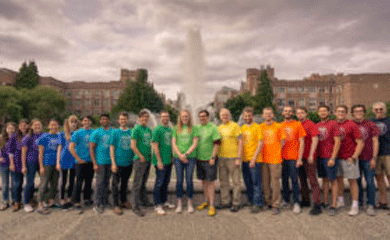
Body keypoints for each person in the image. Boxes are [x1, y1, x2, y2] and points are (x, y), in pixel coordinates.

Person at [335, 105, 364, 216]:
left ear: (346, 113)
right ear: (335, 112)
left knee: (352, 181)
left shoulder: (351, 125)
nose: (340, 113)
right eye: (339, 111)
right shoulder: (334, 124)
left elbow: (360, 142)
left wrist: (354, 156)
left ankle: (355, 205)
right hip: (337, 158)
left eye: (343, 111)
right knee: (339, 180)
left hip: (349, 158)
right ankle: (341, 200)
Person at [352, 104, 380, 216]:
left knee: (369, 182)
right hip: (355, 158)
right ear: (353, 113)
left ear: (364, 112)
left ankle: (370, 204)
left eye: (360, 111)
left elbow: (375, 141)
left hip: (368, 158)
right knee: (356, 182)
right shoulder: (351, 124)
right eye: (356, 111)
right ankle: (358, 203)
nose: (358, 113)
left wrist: (374, 157)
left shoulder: (371, 124)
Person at [296, 107, 322, 215]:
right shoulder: (297, 124)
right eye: (298, 113)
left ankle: (317, 204)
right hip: (299, 158)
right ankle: (305, 200)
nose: (300, 114)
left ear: (306, 113)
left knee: (313, 181)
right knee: (302, 180)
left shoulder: (310, 124)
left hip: (309, 157)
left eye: (302, 112)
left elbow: (315, 139)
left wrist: (311, 154)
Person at [259, 107, 285, 215]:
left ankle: (275, 204)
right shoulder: (261, 126)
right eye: (266, 114)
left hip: (275, 158)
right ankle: (267, 201)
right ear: (263, 115)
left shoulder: (278, 126)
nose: (268, 115)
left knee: (275, 183)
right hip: (263, 158)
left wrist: (277, 151)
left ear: (273, 115)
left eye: (270, 114)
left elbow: (282, 141)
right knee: (265, 182)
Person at [316, 105, 341, 216]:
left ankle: (334, 204)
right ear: (318, 113)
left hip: (329, 156)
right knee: (325, 180)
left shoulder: (334, 124)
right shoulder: (317, 125)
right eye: (320, 111)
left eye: (324, 111)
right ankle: (325, 202)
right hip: (320, 157)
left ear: (328, 112)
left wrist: (333, 157)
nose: (322, 113)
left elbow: (337, 142)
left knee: (333, 180)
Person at [280, 106, 306, 214]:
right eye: (285, 111)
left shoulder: (297, 124)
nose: (287, 112)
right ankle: (286, 200)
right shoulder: (280, 125)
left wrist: (299, 158)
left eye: (290, 111)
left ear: (292, 113)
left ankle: (296, 202)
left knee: (295, 181)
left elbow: (302, 142)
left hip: (293, 158)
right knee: (284, 180)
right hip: (282, 158)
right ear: (283, 113)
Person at [172, 110, 198, 214]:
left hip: (190, 157)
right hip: (178, 158)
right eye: (183, 116)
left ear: (189, 117)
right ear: (180, 117)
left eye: (186, 116)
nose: (185, 118)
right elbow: (173, 143)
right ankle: (179, 203)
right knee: (179, 180)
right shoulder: (176, 128)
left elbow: (195, 143)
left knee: (189, 180)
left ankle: (189, 203)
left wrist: (186, 154)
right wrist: (180, 155)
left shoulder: (193, 128)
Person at [196, 110, 221, 217]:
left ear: (208, 116)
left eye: (204, 116)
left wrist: (213, 157)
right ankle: (206, 202)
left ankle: (212, 205)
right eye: (200, 116)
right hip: (199, 159)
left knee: (210, 183)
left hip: (209, 160)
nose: (202, 118)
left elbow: (217, 143)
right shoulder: (197, 128)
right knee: (204, 182)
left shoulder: (213, 127)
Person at [217, 108, 242, 212]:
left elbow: (241, 142)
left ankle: (236, 203)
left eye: (226, 115)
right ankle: (225, 202)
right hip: (221, 158)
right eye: (223, 115)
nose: (224, 116)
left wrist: (238, 157)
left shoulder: (235, 126)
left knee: (236, 182)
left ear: (230, 115)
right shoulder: (219, 127)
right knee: (223, 182)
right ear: (220, 116)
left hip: (233, 158)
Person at [240, 107, 264, 214]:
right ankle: (251, 201)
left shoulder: (257, 127)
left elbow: (260, 143)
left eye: (249, 115)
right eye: (245, 116)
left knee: (256, 183)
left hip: (255, 160)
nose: (247, 117)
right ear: (243, 116)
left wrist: (254, 159)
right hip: (245, 160)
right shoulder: (242, 128)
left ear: (252, 116)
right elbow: (240, 144)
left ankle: (258, 204)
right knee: (247, 182)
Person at [109, 112, 134, 215]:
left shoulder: (131, 132)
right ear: (119, 121)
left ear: (127, 120)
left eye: (125, 119)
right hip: (118, 163)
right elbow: (112, 148)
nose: (123, 121)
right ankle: (115, 205)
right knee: (115, 184)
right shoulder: (115, 133)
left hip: (128, 162)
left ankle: (123, 201)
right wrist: (113, 163)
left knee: (124, 184)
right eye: (121, 119)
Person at [70, 116, 94, 213]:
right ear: (82, 122)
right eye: (84, 120)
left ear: (91, 122)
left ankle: (87, 198)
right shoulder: (78, 133)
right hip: (80, 162)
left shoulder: (94, 132)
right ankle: (76, 201)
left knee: (89, 181)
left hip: (91, 161)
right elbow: (71, 147)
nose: (86, 122)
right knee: (79, 182)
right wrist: (78, 159)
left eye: (88, 120)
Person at [152, 111, 175, 215]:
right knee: (159, 183)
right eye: (163, 116)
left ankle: (164, 201)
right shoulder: (157, 129)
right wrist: (159, 161)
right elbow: (155, 146)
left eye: (167, 116)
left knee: (166, 182)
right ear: (160, 118)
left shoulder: (170, 129)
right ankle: (157, 205)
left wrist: (172, 157)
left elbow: (171, 145)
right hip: (160, 161)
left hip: (168, 161)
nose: (165, 118)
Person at [131, 110, 153, 217]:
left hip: (148, 159)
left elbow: (150, 144)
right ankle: (135, 206)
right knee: (137, 183)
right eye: (143, 117)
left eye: (146, 117)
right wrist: (141, 156)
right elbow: (133, 146)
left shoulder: (148, 130)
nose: (145, 119)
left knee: (143, 182)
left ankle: (144, 201)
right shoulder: (136, 129)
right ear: (139, 118)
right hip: (139, 160)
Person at [90, 114, 113, 214]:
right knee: (99, 183)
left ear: (109, 120)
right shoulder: (96, 132)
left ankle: (104, 201)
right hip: (100, 162)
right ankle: (97, 204)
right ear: (100, 121)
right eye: (102, 119)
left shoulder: (113, 131)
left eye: (106, 119)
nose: (104, 120)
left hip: (110, 162)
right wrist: (94, 163)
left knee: (107, 183)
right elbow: (91, 148)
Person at [37, 119, 61, 214]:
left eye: (56, 125)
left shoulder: (59, 136)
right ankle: (40, 205)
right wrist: (41, 166)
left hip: (56, 164)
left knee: (54, 184)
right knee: (44, 184)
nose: (54, 127)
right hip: (47, 163)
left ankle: (51, 201)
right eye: (52, 125)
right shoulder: (44, 136)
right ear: (49, 126)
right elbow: (40, 153)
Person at [56, 115, 79, 209]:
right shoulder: (62, 134)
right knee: (63, 180)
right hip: (64, 159)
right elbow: (59, 148)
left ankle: (70, 197)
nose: (73, 124)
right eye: (71, 122)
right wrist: (57, 162)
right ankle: (61, 198)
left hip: (74, 159)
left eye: (75, 122)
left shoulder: (78, 133)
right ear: (68, 123)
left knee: (72, 180)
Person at [371, 102, 390, 211]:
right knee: (379, 179)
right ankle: (383, 201)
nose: (378, 111)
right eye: (376, 109)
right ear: (373, 110)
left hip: (388, 153)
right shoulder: (371, 121)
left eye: (381, 109)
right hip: (376, 154)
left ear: (385, 110)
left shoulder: (389, 121)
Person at [21, 119, 44, 212]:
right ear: (31, 126)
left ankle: (41, 200)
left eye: (39, 125)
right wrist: (23, 166)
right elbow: (23, 153)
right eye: (35, 125)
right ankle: (26, 203)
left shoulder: (44, 135)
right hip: (31, 162)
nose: (37, 127)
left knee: (44, 181)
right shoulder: (28, 137)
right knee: (30, 183)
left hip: (42, 162)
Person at [9, 119, 29, 212]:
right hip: (17, 162)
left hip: (29, 162)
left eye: (25, 125)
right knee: (17, 184)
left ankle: (29, 199)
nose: (23, 127)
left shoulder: (30, 136)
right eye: (21, 125)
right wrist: (12, 163)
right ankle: (17, 202)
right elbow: (11, 151)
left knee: (29, 183)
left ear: (28, 126)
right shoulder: (14, 137)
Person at [0, 122, 16, 211]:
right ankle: (5, 201)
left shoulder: (17, 138)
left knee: (14, 183)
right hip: (4, 164)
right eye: (9, 128)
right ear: (5, 129)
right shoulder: (2, 138)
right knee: (5, 184)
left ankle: (14, 201)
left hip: (14, 164)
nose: (10, 129)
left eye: (12, 128)